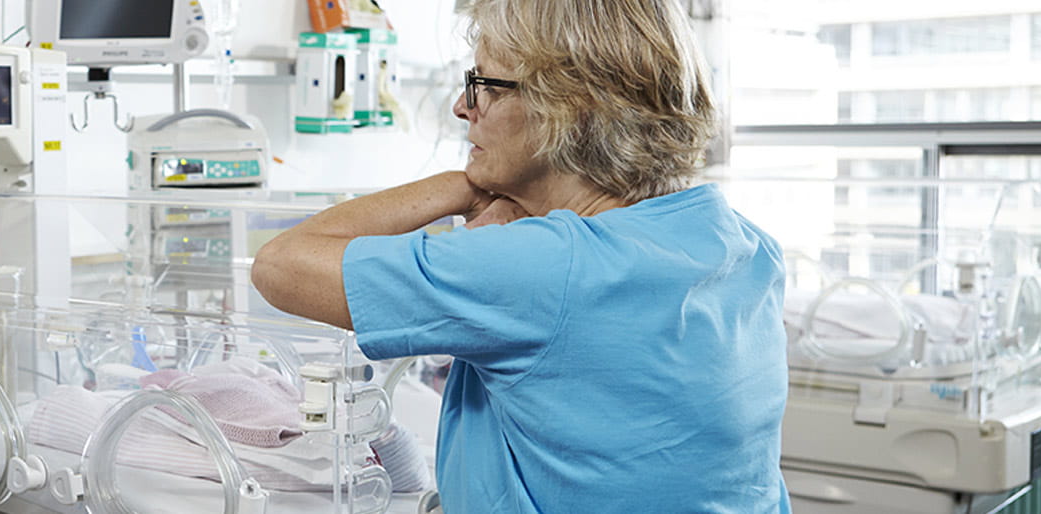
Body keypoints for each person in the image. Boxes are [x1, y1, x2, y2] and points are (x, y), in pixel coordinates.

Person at [251, 0, 790, 511]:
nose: (463, 107)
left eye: (484, 84)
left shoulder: (545, 266)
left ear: (569, 105)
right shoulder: (742, 243)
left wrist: (457, 186)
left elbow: (280, 264)